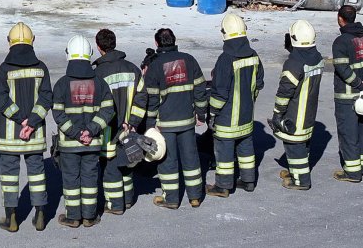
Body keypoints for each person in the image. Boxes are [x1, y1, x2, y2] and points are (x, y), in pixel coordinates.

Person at [133, 28, 208, 209]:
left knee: (167, 161)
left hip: (165, 125)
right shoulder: (189, 60)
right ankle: (195, 197)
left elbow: (151, 99)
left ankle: (171, 199)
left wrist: (151, 126)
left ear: (157, 43)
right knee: (191, 158)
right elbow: (200, 88)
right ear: (174, 41)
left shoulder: (155, 66)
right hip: (187, 122)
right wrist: (201, 113)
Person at [52, 35, 115, 228]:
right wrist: (90, 131)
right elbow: (108, 109)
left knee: (71, 179)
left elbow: (58, 113)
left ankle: (73, 217)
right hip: (93, 142)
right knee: (89, 178)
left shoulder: (62, 83)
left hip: (70, 144)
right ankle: (89, 216)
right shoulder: (100, 82)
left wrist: (76, 133)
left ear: (69, 55)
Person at [0, 22, 52, 232]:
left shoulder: (4, 68)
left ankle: (11, 217)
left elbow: (2, 101)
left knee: (9, 175)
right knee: (36, 172)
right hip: (34, 134)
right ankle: (40, 214)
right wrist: (32, 122)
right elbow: (47, 98)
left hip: (10, 135)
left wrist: (20, 119)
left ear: (9, 42)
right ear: (33, 40)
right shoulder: (41, 67)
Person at [206, 13, 263, 197]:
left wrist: (212, 112)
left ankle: (222, 186)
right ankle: (248, 181)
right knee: (245, 147)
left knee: (224, 152)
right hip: (246, 116)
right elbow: (259, 83)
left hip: (227, 117)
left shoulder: (226, 58)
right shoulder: (254, 56)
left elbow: (220, 91)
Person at [92, 28, 145, 213]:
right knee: (127, 162)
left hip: (109, 130)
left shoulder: (98, 73)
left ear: (99, 47)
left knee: (110, 167)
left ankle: (115, 205)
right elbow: (142, 97)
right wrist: (134, 122)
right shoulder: (132, 68)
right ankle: (128, 199)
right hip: (129, 128)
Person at [270, 20, 325, 190]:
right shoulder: (317, 58)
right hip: (309, 112)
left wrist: (277, 113)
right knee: (304, 144)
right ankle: (296, 171)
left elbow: (285, 91)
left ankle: (301, 181)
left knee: (294, 147)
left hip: (295, 114)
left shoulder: (294, 63)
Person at [330, 5, 363, 183]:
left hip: (347, 97)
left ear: (340, 19)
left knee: (348, 134)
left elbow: (342, 67)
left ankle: (352, 172)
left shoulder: (341, 42)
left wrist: (357, 84)